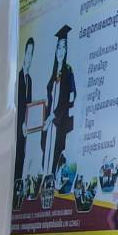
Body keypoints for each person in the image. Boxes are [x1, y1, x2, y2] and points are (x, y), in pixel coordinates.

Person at [42, 24, 76, 179]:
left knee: (55, 152)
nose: (60, 51)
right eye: (58, 47)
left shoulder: (68, 71)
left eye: (64, 47)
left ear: (67, 50)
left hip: (58, 122)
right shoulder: (53, 72)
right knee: (45, 153)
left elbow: (69, 97)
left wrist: (53, 116)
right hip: (49, 123)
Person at [14, 36, 34, 188]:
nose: (29, 57)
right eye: (27, 53)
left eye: (31, 54)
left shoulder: (30, 80)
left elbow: (29, 106)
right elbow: (18, 105)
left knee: (22, 157)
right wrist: (21, 123)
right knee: (15, 158)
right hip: (16, 130)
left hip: (25, 130)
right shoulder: (17, 78)